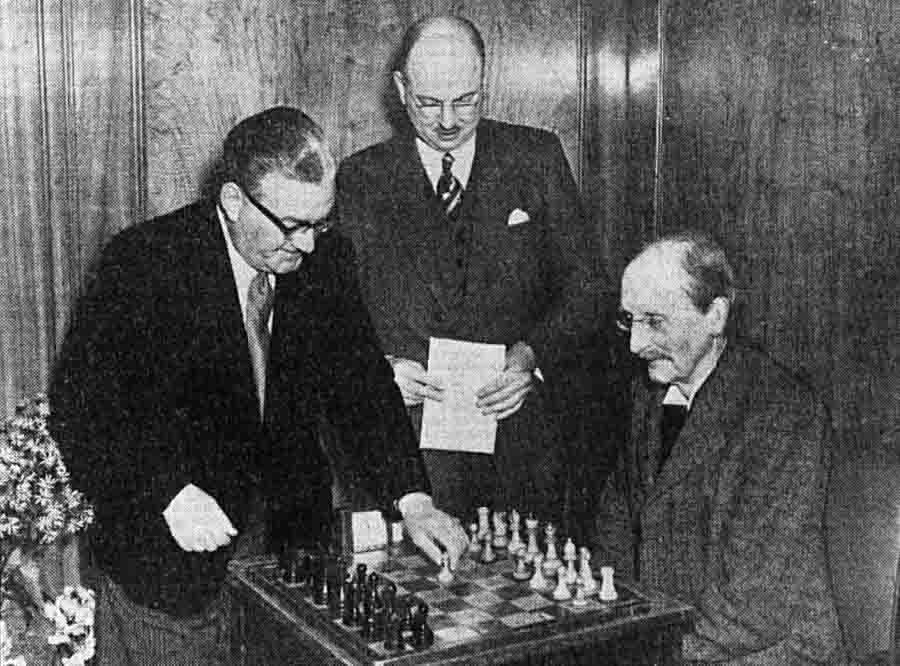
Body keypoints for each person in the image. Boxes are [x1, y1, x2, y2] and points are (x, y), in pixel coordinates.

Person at [49, 107, 467, 665]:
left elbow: (362, 387)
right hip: (167, 571)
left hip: (289, 566)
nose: (309, 245)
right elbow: (82, 407)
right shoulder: (143, 262)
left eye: (320, 222)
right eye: (291, 225)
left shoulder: (325, 261)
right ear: (232, 201)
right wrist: (166, 492)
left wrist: (412, 500)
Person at [337, 15, 616, 524]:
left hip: (517, 447)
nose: (448, 120)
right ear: (401, 89)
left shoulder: (535, 157)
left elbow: (589, 288)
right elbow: (331, 313)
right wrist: (379, 370)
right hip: (407, 452)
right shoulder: (359, 178)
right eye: (429, 103)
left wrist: (531, 356)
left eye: (465, 101)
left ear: (484, 84)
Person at [593, 230, 844, 663]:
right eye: (628, 321)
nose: (635, 345)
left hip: (762, 652)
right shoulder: (649, 393)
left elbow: (755, 605)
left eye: (654, 321)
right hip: (672, 640)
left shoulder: (783, 414)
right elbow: (613, 527)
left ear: (714, 316)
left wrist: (644, 650)